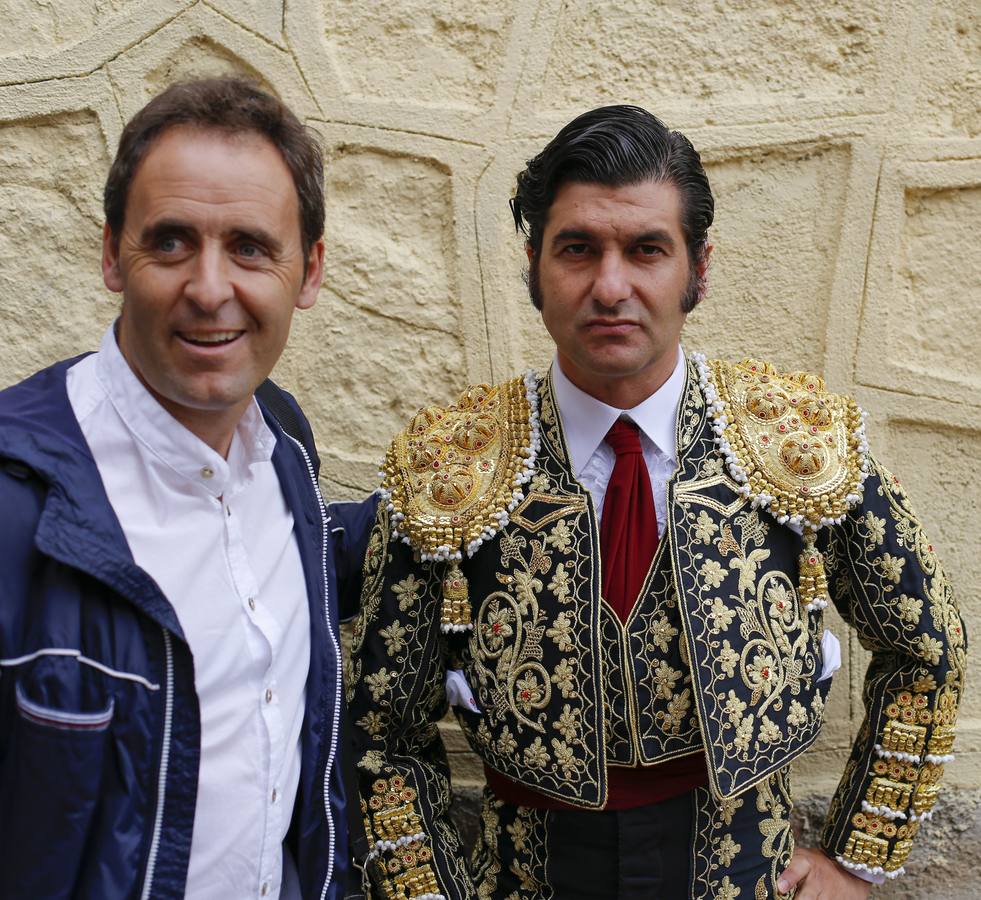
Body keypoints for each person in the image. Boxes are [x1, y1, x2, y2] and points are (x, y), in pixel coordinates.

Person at [346, 106, 967, 899]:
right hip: (525, 875)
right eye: (577, 249)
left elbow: (929, 647)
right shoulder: (448, 467)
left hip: (744, 869)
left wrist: (855, 855)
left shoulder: (796, 442)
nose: (611, 287)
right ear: (534, 265)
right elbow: (381, 733)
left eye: (646, 250)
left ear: (696, 268)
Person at [0, 78, 372, 899]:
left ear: (307, 271)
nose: (209, 289)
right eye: (170, 242)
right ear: (110, 255)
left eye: (249, 246)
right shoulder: (13, 504)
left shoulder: (284, 454)